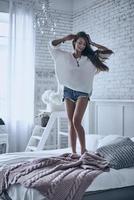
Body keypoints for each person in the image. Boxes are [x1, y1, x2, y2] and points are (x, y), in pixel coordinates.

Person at [48, 31, 113, 157]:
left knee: (76, 121)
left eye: (84, 44)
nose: (82, 45)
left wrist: (92, 43)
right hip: (67, 91)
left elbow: (108, 51)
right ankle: (73, 153)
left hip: (83, 92)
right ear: (74, 42)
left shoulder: (90, 58)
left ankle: (83, 150)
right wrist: (64, 38)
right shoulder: (65, 56)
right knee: (70, 123)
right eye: (80, 42)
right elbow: (52, 45)